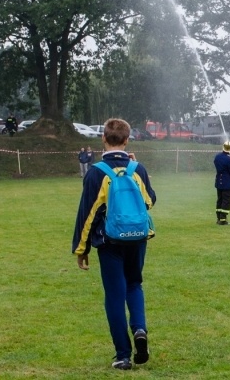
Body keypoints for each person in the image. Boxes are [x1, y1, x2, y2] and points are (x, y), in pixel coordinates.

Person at [72, 118, 157, 370]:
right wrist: (137, 170)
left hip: (109, 242)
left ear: (103, 139)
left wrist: (81, 249)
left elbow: (86, 214)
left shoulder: (97, 172)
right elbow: (150, 201)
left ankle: (123, 354)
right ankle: (140, 329)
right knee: (134, 284)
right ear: (127, 140)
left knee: (114, 295)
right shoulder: (137, 168)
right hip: (138, 238)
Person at [214, 141, 230, 225]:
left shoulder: (217, 157)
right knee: (226, 201)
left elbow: (219, 167)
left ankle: (219, 218)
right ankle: (223, 220)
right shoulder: (229, 160)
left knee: (220, 200)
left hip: (219, 182)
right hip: (227, 183)